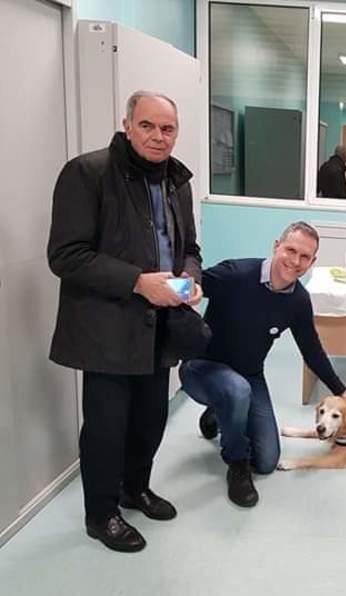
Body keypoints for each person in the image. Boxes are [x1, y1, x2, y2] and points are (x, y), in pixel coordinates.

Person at [47, 91, 203, 553]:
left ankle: (135, 489)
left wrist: (190, 280)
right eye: (148, 126)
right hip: (107, 327)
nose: (158, 136)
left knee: (151, 419)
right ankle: (101, 515)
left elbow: (189, 249)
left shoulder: (177, 182)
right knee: (106, 427)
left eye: (168, 128)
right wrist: (137, 282)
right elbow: (66, 256)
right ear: (127, 125)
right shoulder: (88, 173)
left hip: (160, 325)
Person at [179, 222, 346, 508]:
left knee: (266, 461)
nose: (295, 261)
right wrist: (153, 288)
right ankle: (237, 464)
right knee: (235, 390)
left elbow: (311, 350)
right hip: (202, 368)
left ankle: (220, 411)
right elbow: (188, 285)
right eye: (291, 250)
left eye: (305, 257)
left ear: (312, 262)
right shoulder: (236, 274)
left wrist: (341, 390)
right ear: (276, 246)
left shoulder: (298, 301)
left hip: (249, 375)